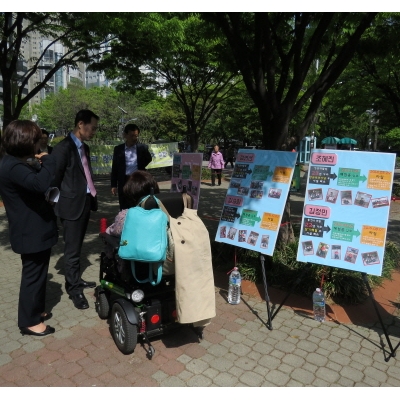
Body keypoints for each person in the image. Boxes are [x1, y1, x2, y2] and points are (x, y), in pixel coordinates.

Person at [0, 120, 58, 336]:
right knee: (33, 276)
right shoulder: (13, 166)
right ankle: (29, 322)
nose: (39, 143)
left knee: (38, 273)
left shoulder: (12, 162)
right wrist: (49, 161)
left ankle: (35, 311)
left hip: (32, 229)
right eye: (36, 140)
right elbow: (40, 184)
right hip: (30, 231)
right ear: (25, 141)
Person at [51, 109, 99, 310]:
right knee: (71, 250)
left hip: (85, 201)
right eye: (92, 127)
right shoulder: (63, 148)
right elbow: (53, 180)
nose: (94, 131)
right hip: (71, 206)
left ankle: (76, 280)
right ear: (81, 124)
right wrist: (57, 206)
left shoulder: (84, 147)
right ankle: (73, 289)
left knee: (78, 247)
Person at [111, 123, 153, 210]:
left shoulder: (142, 148)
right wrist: (113, 185)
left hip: (138, 180)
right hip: (124, 180)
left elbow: (149, 158)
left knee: (138, 203)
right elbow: (115, 168)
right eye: (132, 136)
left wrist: (140, 167)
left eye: (136, 136)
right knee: (124, 205)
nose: (134, 138)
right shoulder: (118, 149)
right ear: (125, 135)